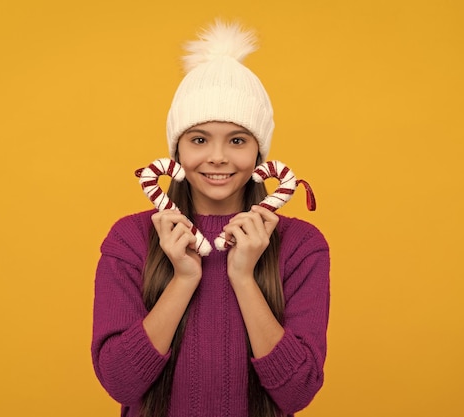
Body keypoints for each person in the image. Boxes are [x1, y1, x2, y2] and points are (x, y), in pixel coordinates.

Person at [91, 19, 330, 417]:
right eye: (199, 139)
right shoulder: (131, 238)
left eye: (237, 140)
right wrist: (185, 278)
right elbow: (120, 382)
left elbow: (297, 392)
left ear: (259, 153)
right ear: (177, 151)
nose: (217, 156)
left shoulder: (301, 245)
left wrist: (243, 275)